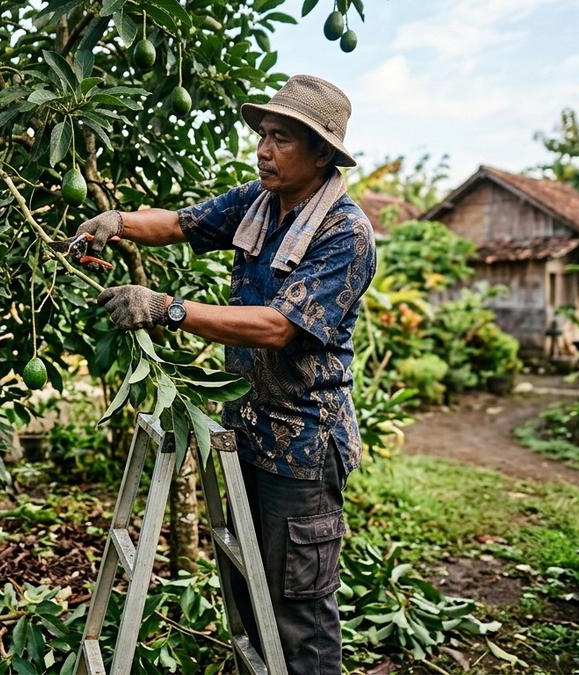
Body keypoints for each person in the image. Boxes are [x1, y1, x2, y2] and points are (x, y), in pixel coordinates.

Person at [74, 74, 376, 674]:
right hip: (247, 431)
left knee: (298, 614)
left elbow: (280, 327)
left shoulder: (346, 233)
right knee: (249, 590)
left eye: (281, 139)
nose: (263, 150)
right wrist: (116, 221)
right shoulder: (258, 202)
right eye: (263, 135)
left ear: (321, 153)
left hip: (303, 446)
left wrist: (169, 309)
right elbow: (182, 223)